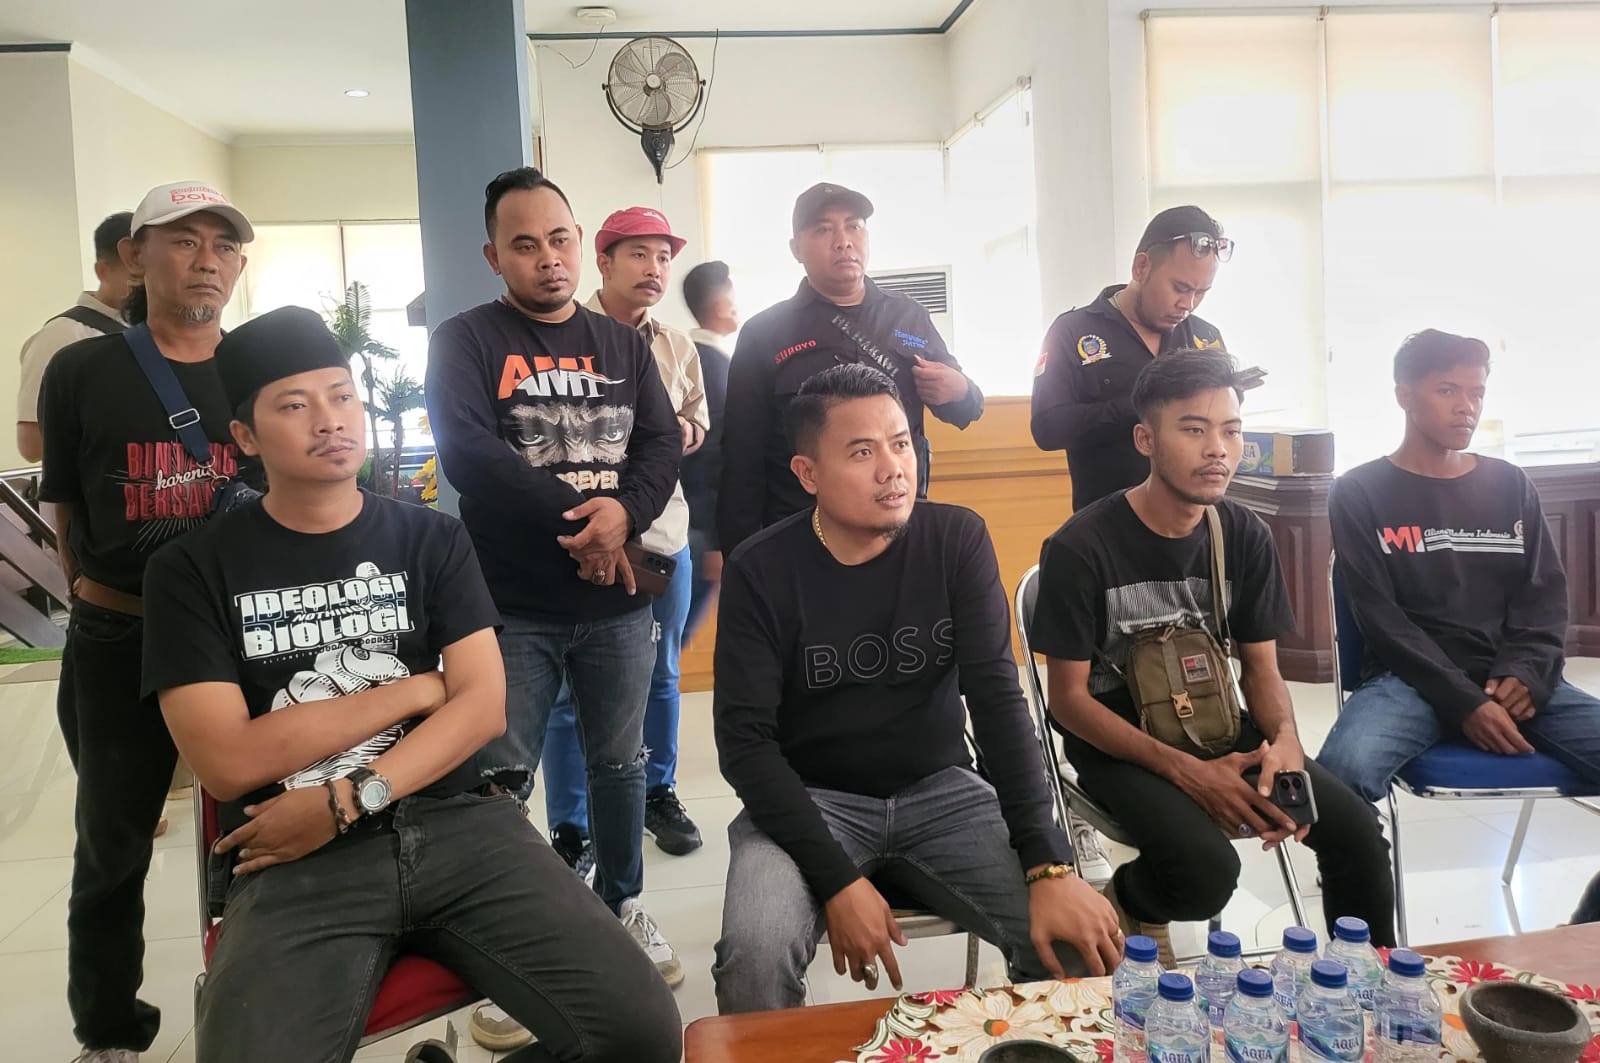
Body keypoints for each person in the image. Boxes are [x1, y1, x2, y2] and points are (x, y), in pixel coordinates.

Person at [139, 306, 681, 1063]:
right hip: (294, 858)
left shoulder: (433, 538)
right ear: (245, 437)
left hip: (458, 826)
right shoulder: (191, 570)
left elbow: (483, 707)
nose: (330, 420)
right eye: (294, 405)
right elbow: (228, 760)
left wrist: (350, 797)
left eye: (342, 395)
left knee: (644, 1034)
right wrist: (420, 689)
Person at [711, 363, 1121, 1014]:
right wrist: (837, 880)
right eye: (862, 452)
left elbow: (998, 701)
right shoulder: (762, 569)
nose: (893, 469)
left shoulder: (956, 539)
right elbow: (745, 745)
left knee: (1075, 938)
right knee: (754, 957)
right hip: (810, 797)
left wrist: (1049, 863)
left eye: (901, 443)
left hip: (941, 790)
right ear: (807, 473)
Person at [424, 167, 683, 1047]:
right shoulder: (466, 339)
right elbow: (468, 451)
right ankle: (516, 948)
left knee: (620, 764)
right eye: (525, 244)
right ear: (493, 254)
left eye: (560, 239)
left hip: (617, 606)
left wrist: (625, 515)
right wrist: (588, 520)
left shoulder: (620, 342)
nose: (548, 258)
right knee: (501, 781)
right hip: (507, 607)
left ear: (580, 243)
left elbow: (660, 444)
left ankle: (623, 905)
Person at [1029, 347, 1395, 966]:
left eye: (1231, 430)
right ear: (1146, 439)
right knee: (1205, 871)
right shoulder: (1081, 547)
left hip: (1216, 719)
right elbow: (1067, 702)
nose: (1218, 450)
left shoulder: (1243, 534)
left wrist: (1283, 741)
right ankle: (1130, 898)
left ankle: (1368, 980)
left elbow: (1261, 668)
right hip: (1116, 737)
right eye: (1194, 430)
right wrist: (1187, 772)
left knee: (1357, 836)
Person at [38, 181, 261, 1063]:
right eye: (183, 240)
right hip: (118, 637)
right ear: (136, 255)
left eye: (224, 244)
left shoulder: (258, 367)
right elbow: (65, 509)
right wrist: (98, 597)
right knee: (113, 843)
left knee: (257, 829)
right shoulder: (81, 370)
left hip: (241, 642)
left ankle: (263, 993)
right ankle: (108, 1032)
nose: (207, 259)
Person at [1318, 330, 1600, 803]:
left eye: (1477, 392)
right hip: (1407, 681)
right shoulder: (1358, 491)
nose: (1466, 407)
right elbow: (1380, 620)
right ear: (1404, 396)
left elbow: (1544, 598)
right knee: (1340, 775)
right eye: (1447, 390)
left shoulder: (1510, 483)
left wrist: (1526, 672)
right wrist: (1464, 702)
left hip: (1512, 678)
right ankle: (1360, 858)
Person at [539, 206, 709, 896]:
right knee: (566, 694)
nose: (654, 269)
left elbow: (695, 421)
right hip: (576, 536)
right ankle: (571, 825)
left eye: (664, 257)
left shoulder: (677, 345)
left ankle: (657, 792)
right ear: (603, 262)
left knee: (662, 673)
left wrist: (676, 432)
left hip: (661, 535)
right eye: (639, 254)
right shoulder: (565, 337)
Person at [717, 182, 983, 553]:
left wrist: (961, 390)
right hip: (803, 538)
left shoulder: (908, 316)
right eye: (823, 229)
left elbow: (964, 409)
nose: (843, 241)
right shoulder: (765, 333)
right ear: (796, 249)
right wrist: (739, 552)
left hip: (898, 527)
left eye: (854, 226)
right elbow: (741, 453)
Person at [1030, 205, 1230, 508]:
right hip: (1104, 524)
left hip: (1193, 521)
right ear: (1141, 267)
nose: (1188, 304)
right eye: (1180, 288)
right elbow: (1047, 428)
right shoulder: (1072, 331)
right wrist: (1145, 405)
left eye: (1201, 292)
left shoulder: (1205, 339)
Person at [17, 211, 136, 462]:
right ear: (102, 271)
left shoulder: (159, 333)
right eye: (136, 275)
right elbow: (32, 445)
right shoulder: (62, 336)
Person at [680, 258, 738, 639]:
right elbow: (710, 457)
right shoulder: (713, 367)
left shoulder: (691, 357)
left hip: (692, 522)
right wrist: (715, 540)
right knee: (673, 639)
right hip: (700, 527)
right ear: (721, 305)